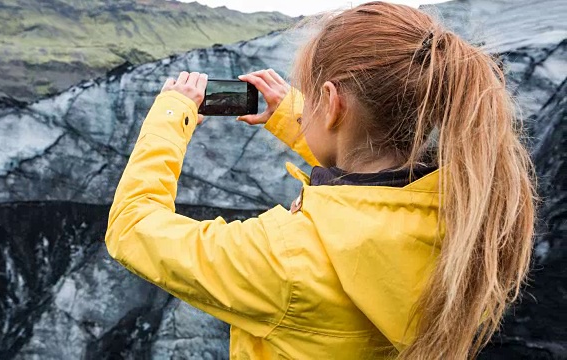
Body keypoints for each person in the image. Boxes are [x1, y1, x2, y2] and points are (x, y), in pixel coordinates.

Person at [105, 2, 536, 358]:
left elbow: (132, 227)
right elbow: (372, 176)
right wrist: (295, 115)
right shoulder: (470, 211)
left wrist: (171, 116)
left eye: (309, 96)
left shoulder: (285, 258)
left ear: (331, 104)